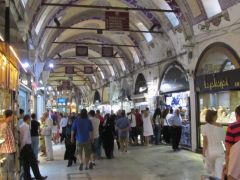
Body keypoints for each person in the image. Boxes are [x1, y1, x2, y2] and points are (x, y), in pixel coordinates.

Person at [19, 115, 47, 180]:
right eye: (29, 119)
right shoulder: (26, 126)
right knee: (34, 163)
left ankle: (27, 177)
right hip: (27, 147)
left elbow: (21, 137)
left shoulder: (21, 126)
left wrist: (21, 147)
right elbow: (25, 138)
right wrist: (22, 146)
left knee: (26, 164)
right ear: (28, 119)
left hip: (24, 148)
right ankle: (38, 177)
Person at [201, 110, 225, 178]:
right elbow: (223, 141)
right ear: (213, 117)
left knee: (212, 172)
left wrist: (203, 153)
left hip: (210, 152)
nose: (217, 117)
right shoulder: (220, 126)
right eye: (216, 115)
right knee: (219, 173)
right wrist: (225, 151)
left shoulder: (205, 127)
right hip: (220, 151)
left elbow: (205, 142)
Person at [0, 110, 16, 180]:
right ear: (9, 116)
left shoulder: (8, 125)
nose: (13, 118)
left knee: (10, 171)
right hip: (6, 152)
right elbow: (1, 139)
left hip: (9, 151)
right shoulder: (4, 126)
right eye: (12, 116)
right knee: (7, 171)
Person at [225, 105, 240, 178]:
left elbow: (228, 150)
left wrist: (227, 167)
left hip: (236, 164)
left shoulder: (232, 127)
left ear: (237, 115)